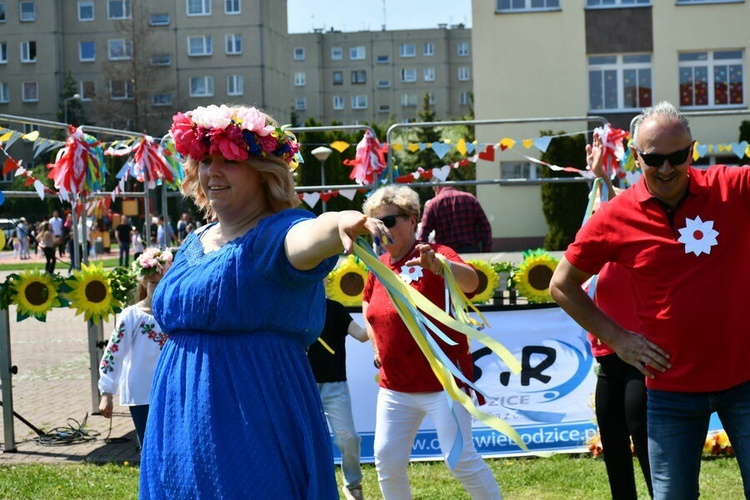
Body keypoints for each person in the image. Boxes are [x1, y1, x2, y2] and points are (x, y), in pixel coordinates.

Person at [139, 104, 393, 498]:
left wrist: (339, 221)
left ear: (264, 173)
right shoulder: (196, 238)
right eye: (206, 160)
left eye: (230, 161)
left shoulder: (279, 233)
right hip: (179, 414)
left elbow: (310, 236)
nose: (212, 172)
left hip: (251, 412)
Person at [549, 101, 750, 499]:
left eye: (677, 156)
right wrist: (618, 340)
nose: (666, 169)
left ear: (692, 150)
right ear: (636, 156)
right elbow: (562, 284)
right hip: (670, 391)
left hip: (745, 382)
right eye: (654, 158)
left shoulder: (731, 187)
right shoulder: (615, 216)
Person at [361, 185, 501, 499]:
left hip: (444, 384)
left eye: (390, 220)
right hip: (395, 387)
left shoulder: (435, 253)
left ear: (412, 220)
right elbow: (368, 305)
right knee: (386, 460)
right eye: (375, 223)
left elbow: (472, 282)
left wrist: (442, 267)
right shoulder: (379, 264)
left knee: (461, 461)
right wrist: (375, 347)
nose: (382, 230)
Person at [585, 133, 652, 500]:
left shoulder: (627, 250)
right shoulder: (591, 263)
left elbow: (615, 205)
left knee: (642, 439)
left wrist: (603, 178)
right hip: (607, 362)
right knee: (613, 447)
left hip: (637, 360)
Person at [98, 248, 172, 450]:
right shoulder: (131, 315)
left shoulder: (174, 314)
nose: (158, 287)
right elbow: (113, 352)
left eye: (163, 282)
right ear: (144, 282)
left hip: (170, 389)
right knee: (149, 446)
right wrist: (107, 392)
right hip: (141, 393)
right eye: (153, 282)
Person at [307, 298, 369, 500]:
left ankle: (353, 486)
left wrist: (386, 312)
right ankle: (306, 488)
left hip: (335, 388)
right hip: (301, 386)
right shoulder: (290, 303)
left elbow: (361, 335)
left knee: (348, 438)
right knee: (304, 443)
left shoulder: (335, 308)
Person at [417, 182, 492, 253]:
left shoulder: (433, 204)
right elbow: (485, 227)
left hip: (445, 253)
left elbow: (423, 234)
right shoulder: (470, 198)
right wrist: (486, 251)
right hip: (470, 249)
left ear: (437, 187)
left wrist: (423, 255)